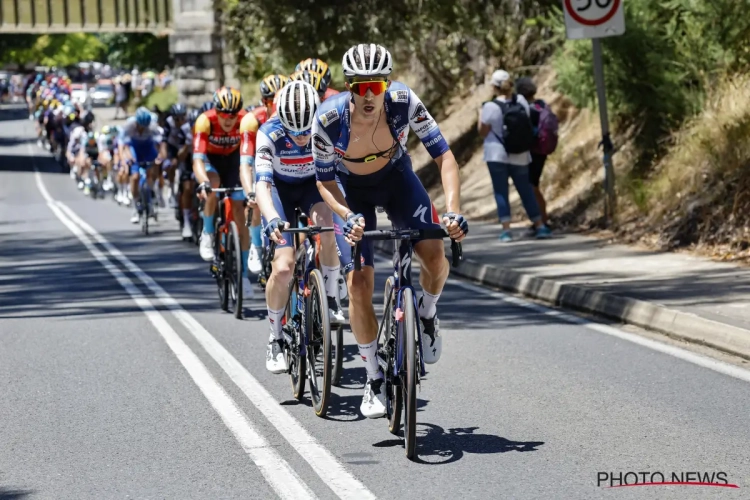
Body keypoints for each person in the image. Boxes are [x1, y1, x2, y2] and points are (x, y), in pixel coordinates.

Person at [313, 43, 468, 418]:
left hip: (397, 177)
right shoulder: (329, 119)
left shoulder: (403, 101)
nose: (369, 95)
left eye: (376, 86)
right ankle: (374, 377)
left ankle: (427, 314)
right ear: (349, 87)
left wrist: (453, 211)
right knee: (359, 284)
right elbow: (324, 181)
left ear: (387, 84)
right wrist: (346, 215)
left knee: (434, 254)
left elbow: (444, 156)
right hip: (352, 192)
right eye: (360, 87)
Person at [248, 80, 347, 374]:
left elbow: (341, 172)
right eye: (296, 132)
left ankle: (330, 298)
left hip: (311, 187)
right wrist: (272, 218)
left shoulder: (328, 125)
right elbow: (263, 185)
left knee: (327, 227)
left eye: (307, 131)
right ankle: (276, 336)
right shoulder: (269, 132)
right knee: (282, 266)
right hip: (278, 190)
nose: (302, 138)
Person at [192, 87, 255, 300]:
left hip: (234, 161)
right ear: (216, 111)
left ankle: (244, 274)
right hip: (211, 160)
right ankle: (208, 233)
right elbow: (197, 159)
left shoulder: (246, 119)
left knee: (240, 210)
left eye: (233, 114)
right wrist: (203, 183)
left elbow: (250, 156)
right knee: (212, 184)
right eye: (224, 114)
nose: (228, 120)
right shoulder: (204, 121)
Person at [478, 70, 551, 242]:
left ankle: (506, 230)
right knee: (526, 190)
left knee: (501, 192)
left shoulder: (489, 107)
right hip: (520, 154)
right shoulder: (521, 101)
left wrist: (479, 116)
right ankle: (540, 225)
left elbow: (482, 132)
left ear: (494, 87)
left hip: (496, 154)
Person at [243, 74, 289, 277]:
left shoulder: (295, 115)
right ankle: (255, 244)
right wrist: (250, 192)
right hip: (258, 164)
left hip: (286, 168)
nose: (276, 105)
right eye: (271, 101)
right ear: (265, 102)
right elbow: (245, 163)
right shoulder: (251, 120)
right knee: (254, 200)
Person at [516, 76, 555, 228]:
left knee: (531, 186)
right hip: (542, 150)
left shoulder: (528, 109)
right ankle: (541, 219)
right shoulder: (542, 105)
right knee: (533, 185)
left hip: (533, 150)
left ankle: (542, 220)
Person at [119, 107, 165, 223]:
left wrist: (160, 156)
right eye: (140, 126)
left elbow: (160, 143)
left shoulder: (152, 126)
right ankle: (135, 206)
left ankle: (151, 193)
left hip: (148, 148)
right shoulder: (129, 126)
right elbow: (125, 145)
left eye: (145, 126)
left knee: (152, 169)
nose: (142, 129)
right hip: (135, 149)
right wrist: (127, 158)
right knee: (134, 177)